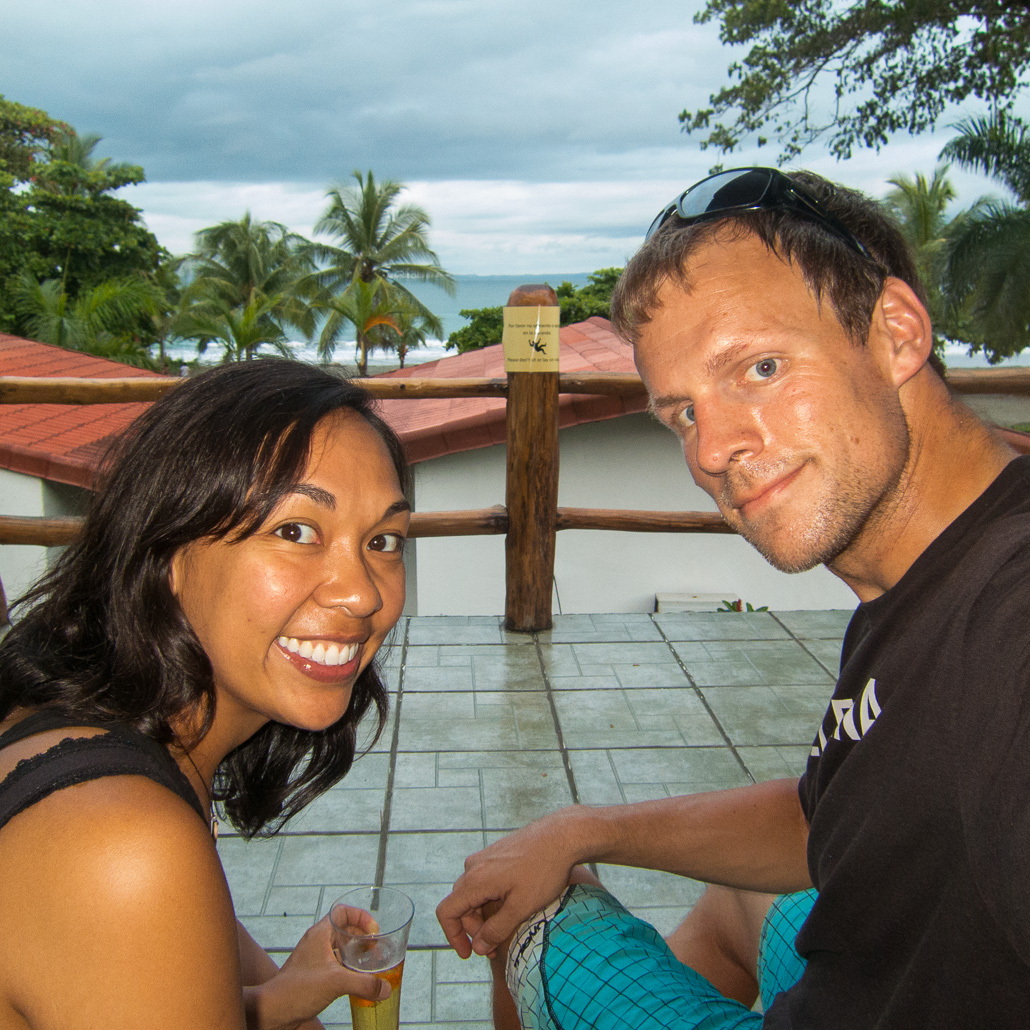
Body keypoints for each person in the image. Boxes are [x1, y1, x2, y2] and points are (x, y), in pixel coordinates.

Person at [436, 167, 1030, 1028]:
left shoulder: (1008, 614)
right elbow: (821, 821)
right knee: (739, 898)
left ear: (896, 333)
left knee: (529, 919)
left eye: (760, 367)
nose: (712, 451)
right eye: (681, 413)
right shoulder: (923, 569)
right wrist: (580, 828)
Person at [0, 358, 412, 1030]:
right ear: (167, 552)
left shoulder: (106, 733)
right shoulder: (124, 846)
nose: (363, 593)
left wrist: (277, 999)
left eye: (383, 540)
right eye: (295, 532)